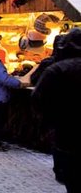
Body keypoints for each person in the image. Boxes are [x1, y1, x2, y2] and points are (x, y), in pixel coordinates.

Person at [33, 28, 81, 192]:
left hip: (65, 131)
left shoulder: (56, 69)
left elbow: (38, 98)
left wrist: (49, 120)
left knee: (71, 179)